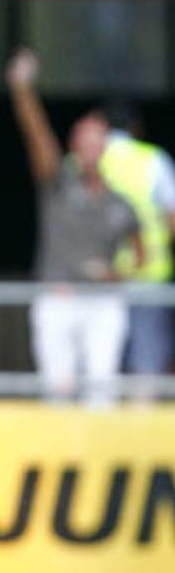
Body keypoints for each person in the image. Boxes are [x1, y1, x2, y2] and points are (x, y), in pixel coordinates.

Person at [6, 49, 143, 407]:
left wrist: (118, 273)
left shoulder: (120, 202)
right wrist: (22, 90)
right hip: (59, 297)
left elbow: (142, 253)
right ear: (74, 146)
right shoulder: (59, 184)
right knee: (58, 391)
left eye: (97, 140)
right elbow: (37, 137)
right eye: (83, 140)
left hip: (103, 303)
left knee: (102, 388)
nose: (90, 148)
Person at [99, 107, 175, 399]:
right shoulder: (152, 159)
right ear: (136, 129)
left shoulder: (87, 158)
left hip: (100, 278)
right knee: (147, 363)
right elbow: (172, 217)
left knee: (101, 367)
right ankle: (140, 432)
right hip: (148, 278)